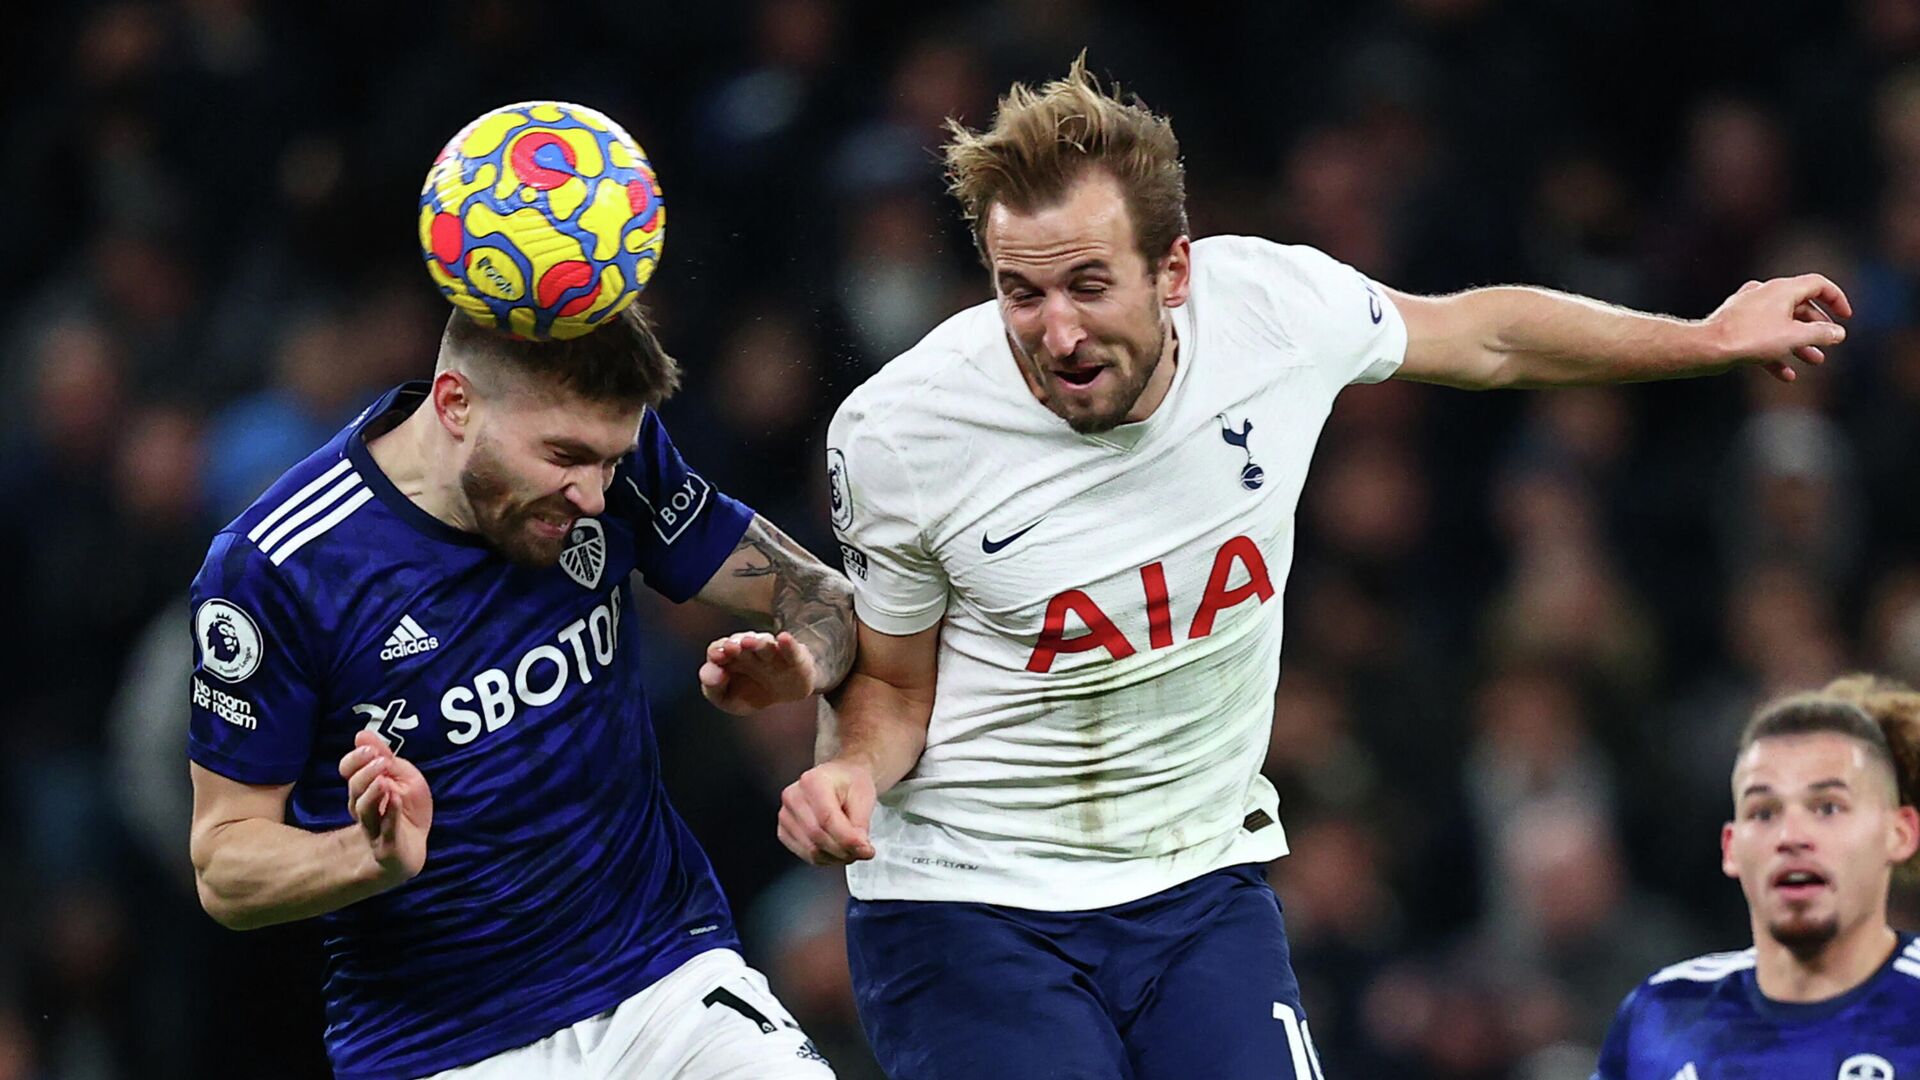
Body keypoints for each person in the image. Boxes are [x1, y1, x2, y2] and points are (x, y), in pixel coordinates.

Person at [776, 56, 1855, 1079]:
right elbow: (892, 681)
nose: (1056, 332)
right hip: (972, 902)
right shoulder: (904, 433)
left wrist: (1705, 336)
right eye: (1022, 293)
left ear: (1176, 270)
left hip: (1196, 885)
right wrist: (850, 775)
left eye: (1089, 285)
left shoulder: (1273, 312)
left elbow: (1485, 338)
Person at [186, 301, 854, 1080]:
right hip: (444, 1047)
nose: (596, 496)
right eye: (565, 457)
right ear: (455, 403)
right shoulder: (276, 568)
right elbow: (224, 864)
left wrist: (804, 662)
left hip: (667, 982)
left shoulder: (611, 461)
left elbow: (823, 599)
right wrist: (365, 856)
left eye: (610, 461)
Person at [1594, 677, 1920, 1079]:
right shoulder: (1664, 1015)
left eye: (1828, 808)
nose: (1791, 837)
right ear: (1730, 848)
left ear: (1899, 834)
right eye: (1764, 812)